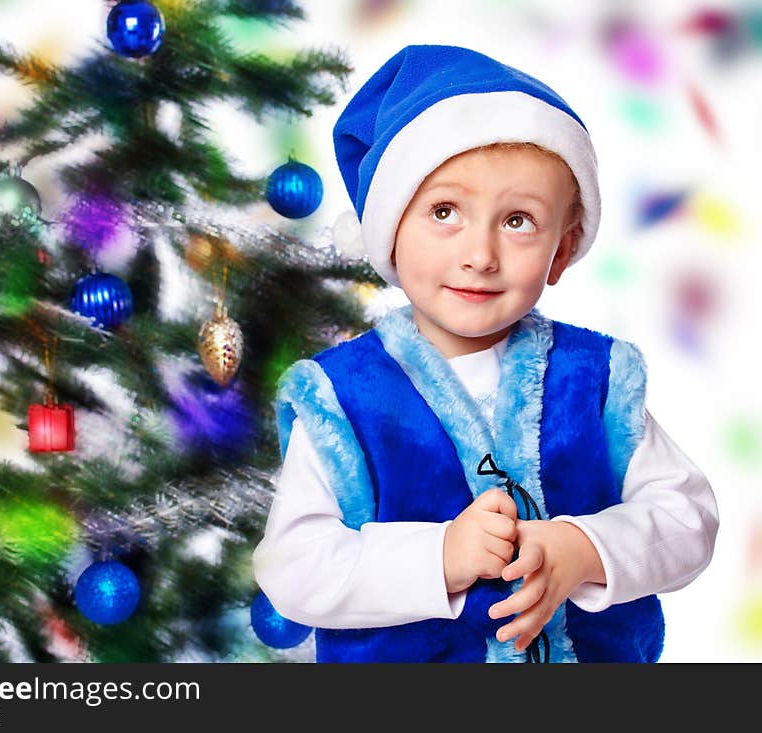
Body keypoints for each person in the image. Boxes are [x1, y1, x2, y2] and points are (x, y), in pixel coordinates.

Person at [252, 44, 719, 662]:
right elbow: (294, 568)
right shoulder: (344, 397)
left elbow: (689, 519)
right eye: (445, 211)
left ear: (562, 248)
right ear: (390, 229)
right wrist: (439, 557)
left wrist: (583, 548)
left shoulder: (595, 380)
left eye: (519, 221)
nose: (481, 254)